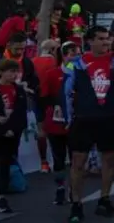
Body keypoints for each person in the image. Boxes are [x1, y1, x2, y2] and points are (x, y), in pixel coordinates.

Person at [61, 26, 114, 222]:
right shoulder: (77, 63)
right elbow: (65, 92)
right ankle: (76, 203)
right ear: (89, 41)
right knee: (78, 163)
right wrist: (68, 118)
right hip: (84, 118)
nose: (106, 42)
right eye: (101, 39)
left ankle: (104, 200)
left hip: (109, 117)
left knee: (109, 161)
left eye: (107, 39)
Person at [0, 58, 30, 214]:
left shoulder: (19, 91)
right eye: (11, 71)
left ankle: (1, 197)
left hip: (11, 135)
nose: (14, 75)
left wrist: (12, 128)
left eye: (16, 71)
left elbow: (21, 114)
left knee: (6, 165)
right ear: (1, 72)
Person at [43, 41, 79, 205]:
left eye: (78, 53)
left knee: (75, 160)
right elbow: (43, 96)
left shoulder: (81, 74)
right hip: (55, 124)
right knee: (58, 160)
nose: (76, 57)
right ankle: (60, 189)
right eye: (72, 54)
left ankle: (73, 191)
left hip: (74, 125)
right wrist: (58, 104)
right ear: (63, 56)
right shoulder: (52, 73)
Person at [31, 39, 60, 173]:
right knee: (56, 131)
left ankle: (43, 163)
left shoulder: (32, 61)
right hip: (51, 99)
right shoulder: (54, 62)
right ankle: (58, 160)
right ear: (52, 50)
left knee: (41, 131)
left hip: (37, 99)